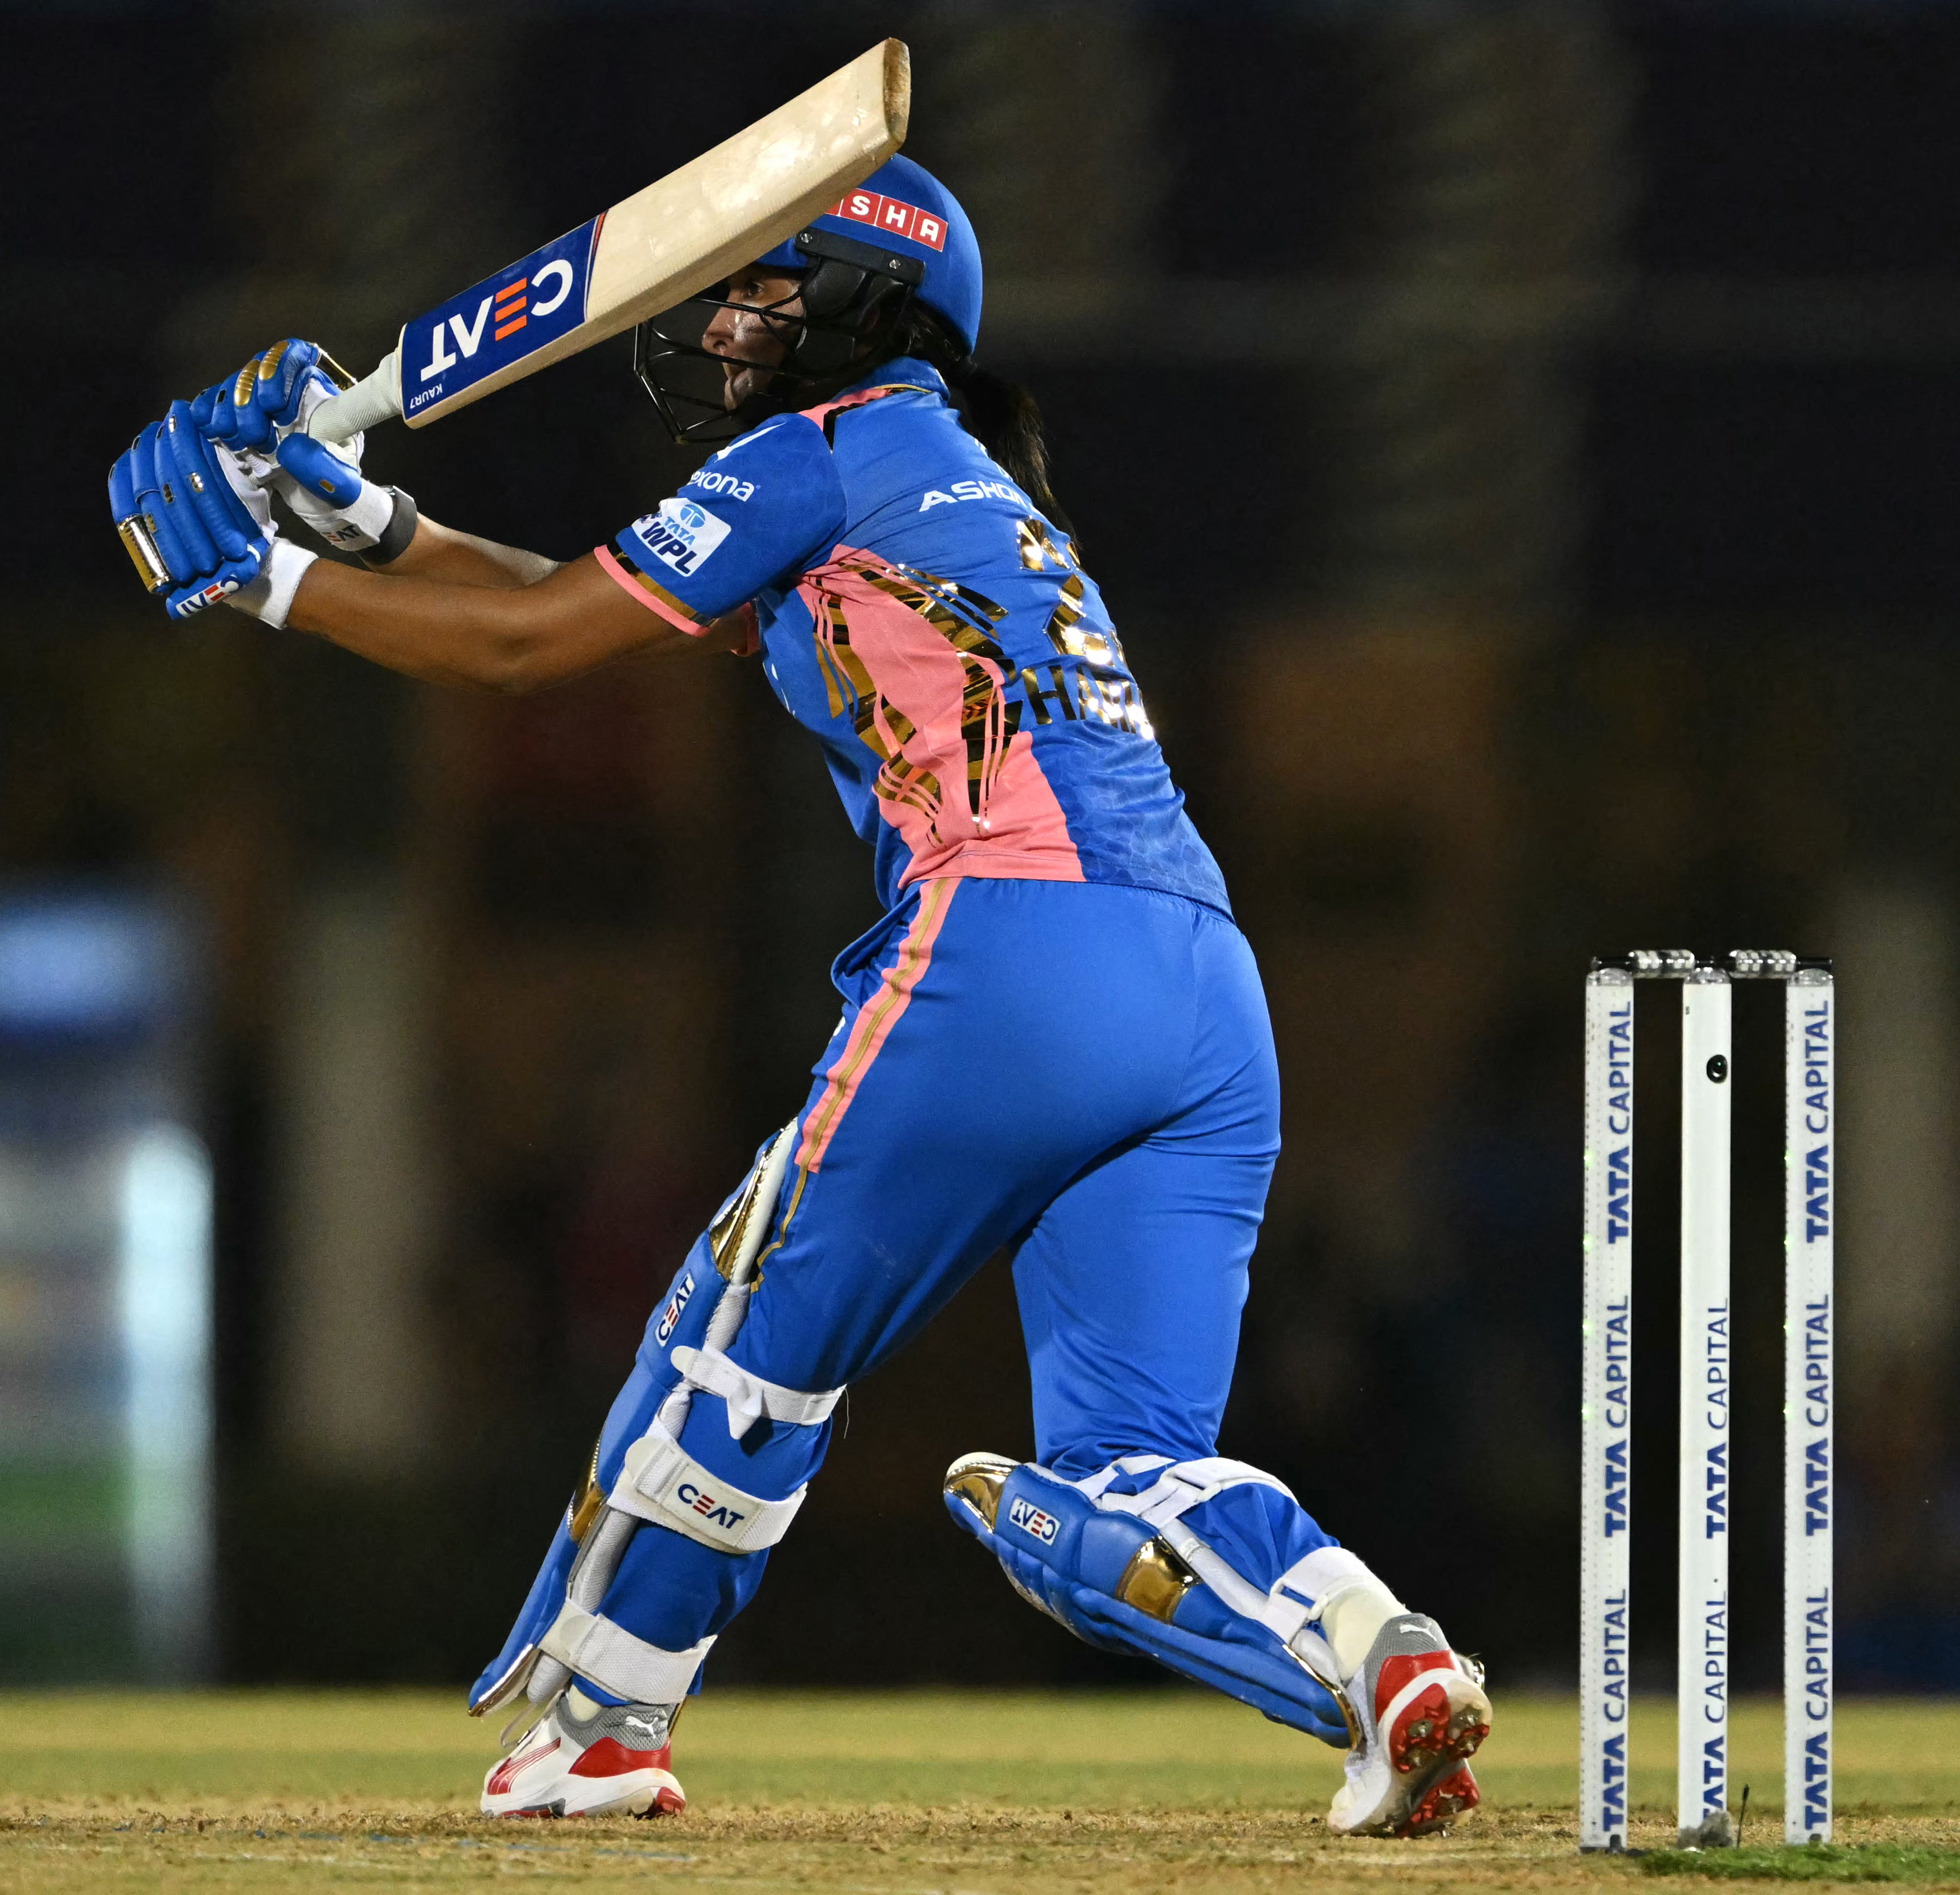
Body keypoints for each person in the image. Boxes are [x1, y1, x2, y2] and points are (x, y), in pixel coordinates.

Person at [107, 155, 1491, 1836]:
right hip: (1205, 989)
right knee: (1118, 1478)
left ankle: (606, 1725)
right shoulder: (953, 479)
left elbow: (526, 656)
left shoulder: (822, 450)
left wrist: (258, 581)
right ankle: (1378, 1652)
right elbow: (592, 611)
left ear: (863, 310)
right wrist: (373, 527)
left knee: (746, 1336)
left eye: (772, 287)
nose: (731, 318)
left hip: (1013, 942)